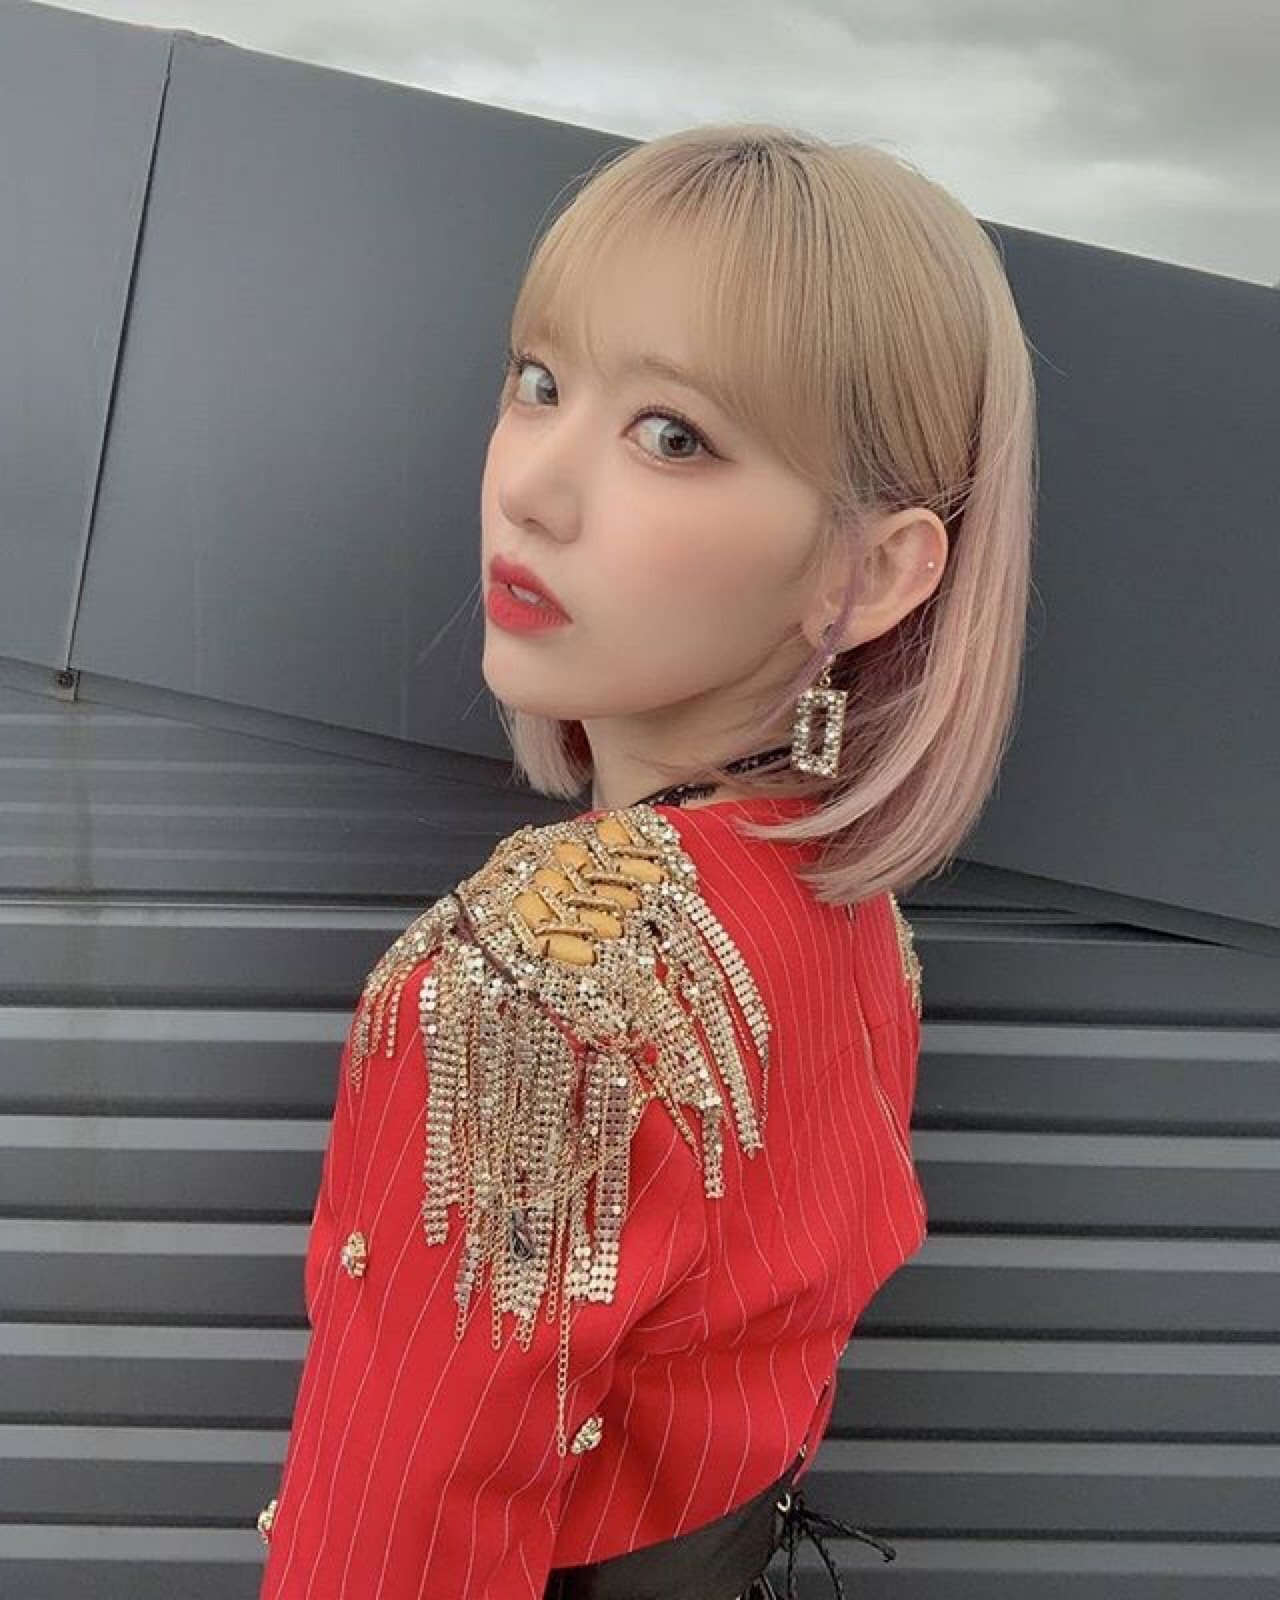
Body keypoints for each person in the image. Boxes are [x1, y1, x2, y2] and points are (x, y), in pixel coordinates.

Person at [255, 122, 1036, 1599]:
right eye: (538, 381)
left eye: (672, 435)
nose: (533, 488)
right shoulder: (842, 902)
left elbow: (391, 1550)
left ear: (871, 572)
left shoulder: (517, 990)